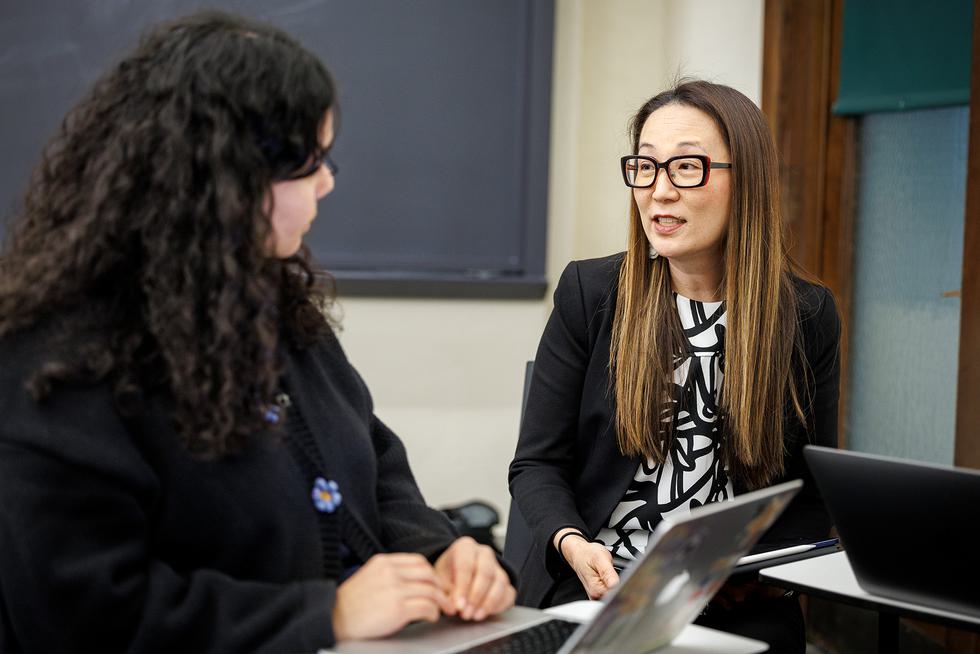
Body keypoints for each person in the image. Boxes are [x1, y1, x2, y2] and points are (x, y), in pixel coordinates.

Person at [0, 11, 515, 654]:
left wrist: (441, 553)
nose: (328, 182)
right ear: (227, 179)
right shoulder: (59, 360)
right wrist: (322, 615)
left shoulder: (270, 303)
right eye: (309, 164)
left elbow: (372, 463)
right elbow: (84, 617)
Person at [508, 80, 840, 653]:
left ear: (748, 181)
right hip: (599, 586)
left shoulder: (806, 316)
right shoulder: (591, 293)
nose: (659, 192)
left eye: (688, 168)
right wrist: (570, 543)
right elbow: (537, 465)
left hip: (736, 597)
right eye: (645, 167)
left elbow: (810, 498)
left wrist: (744, 572)